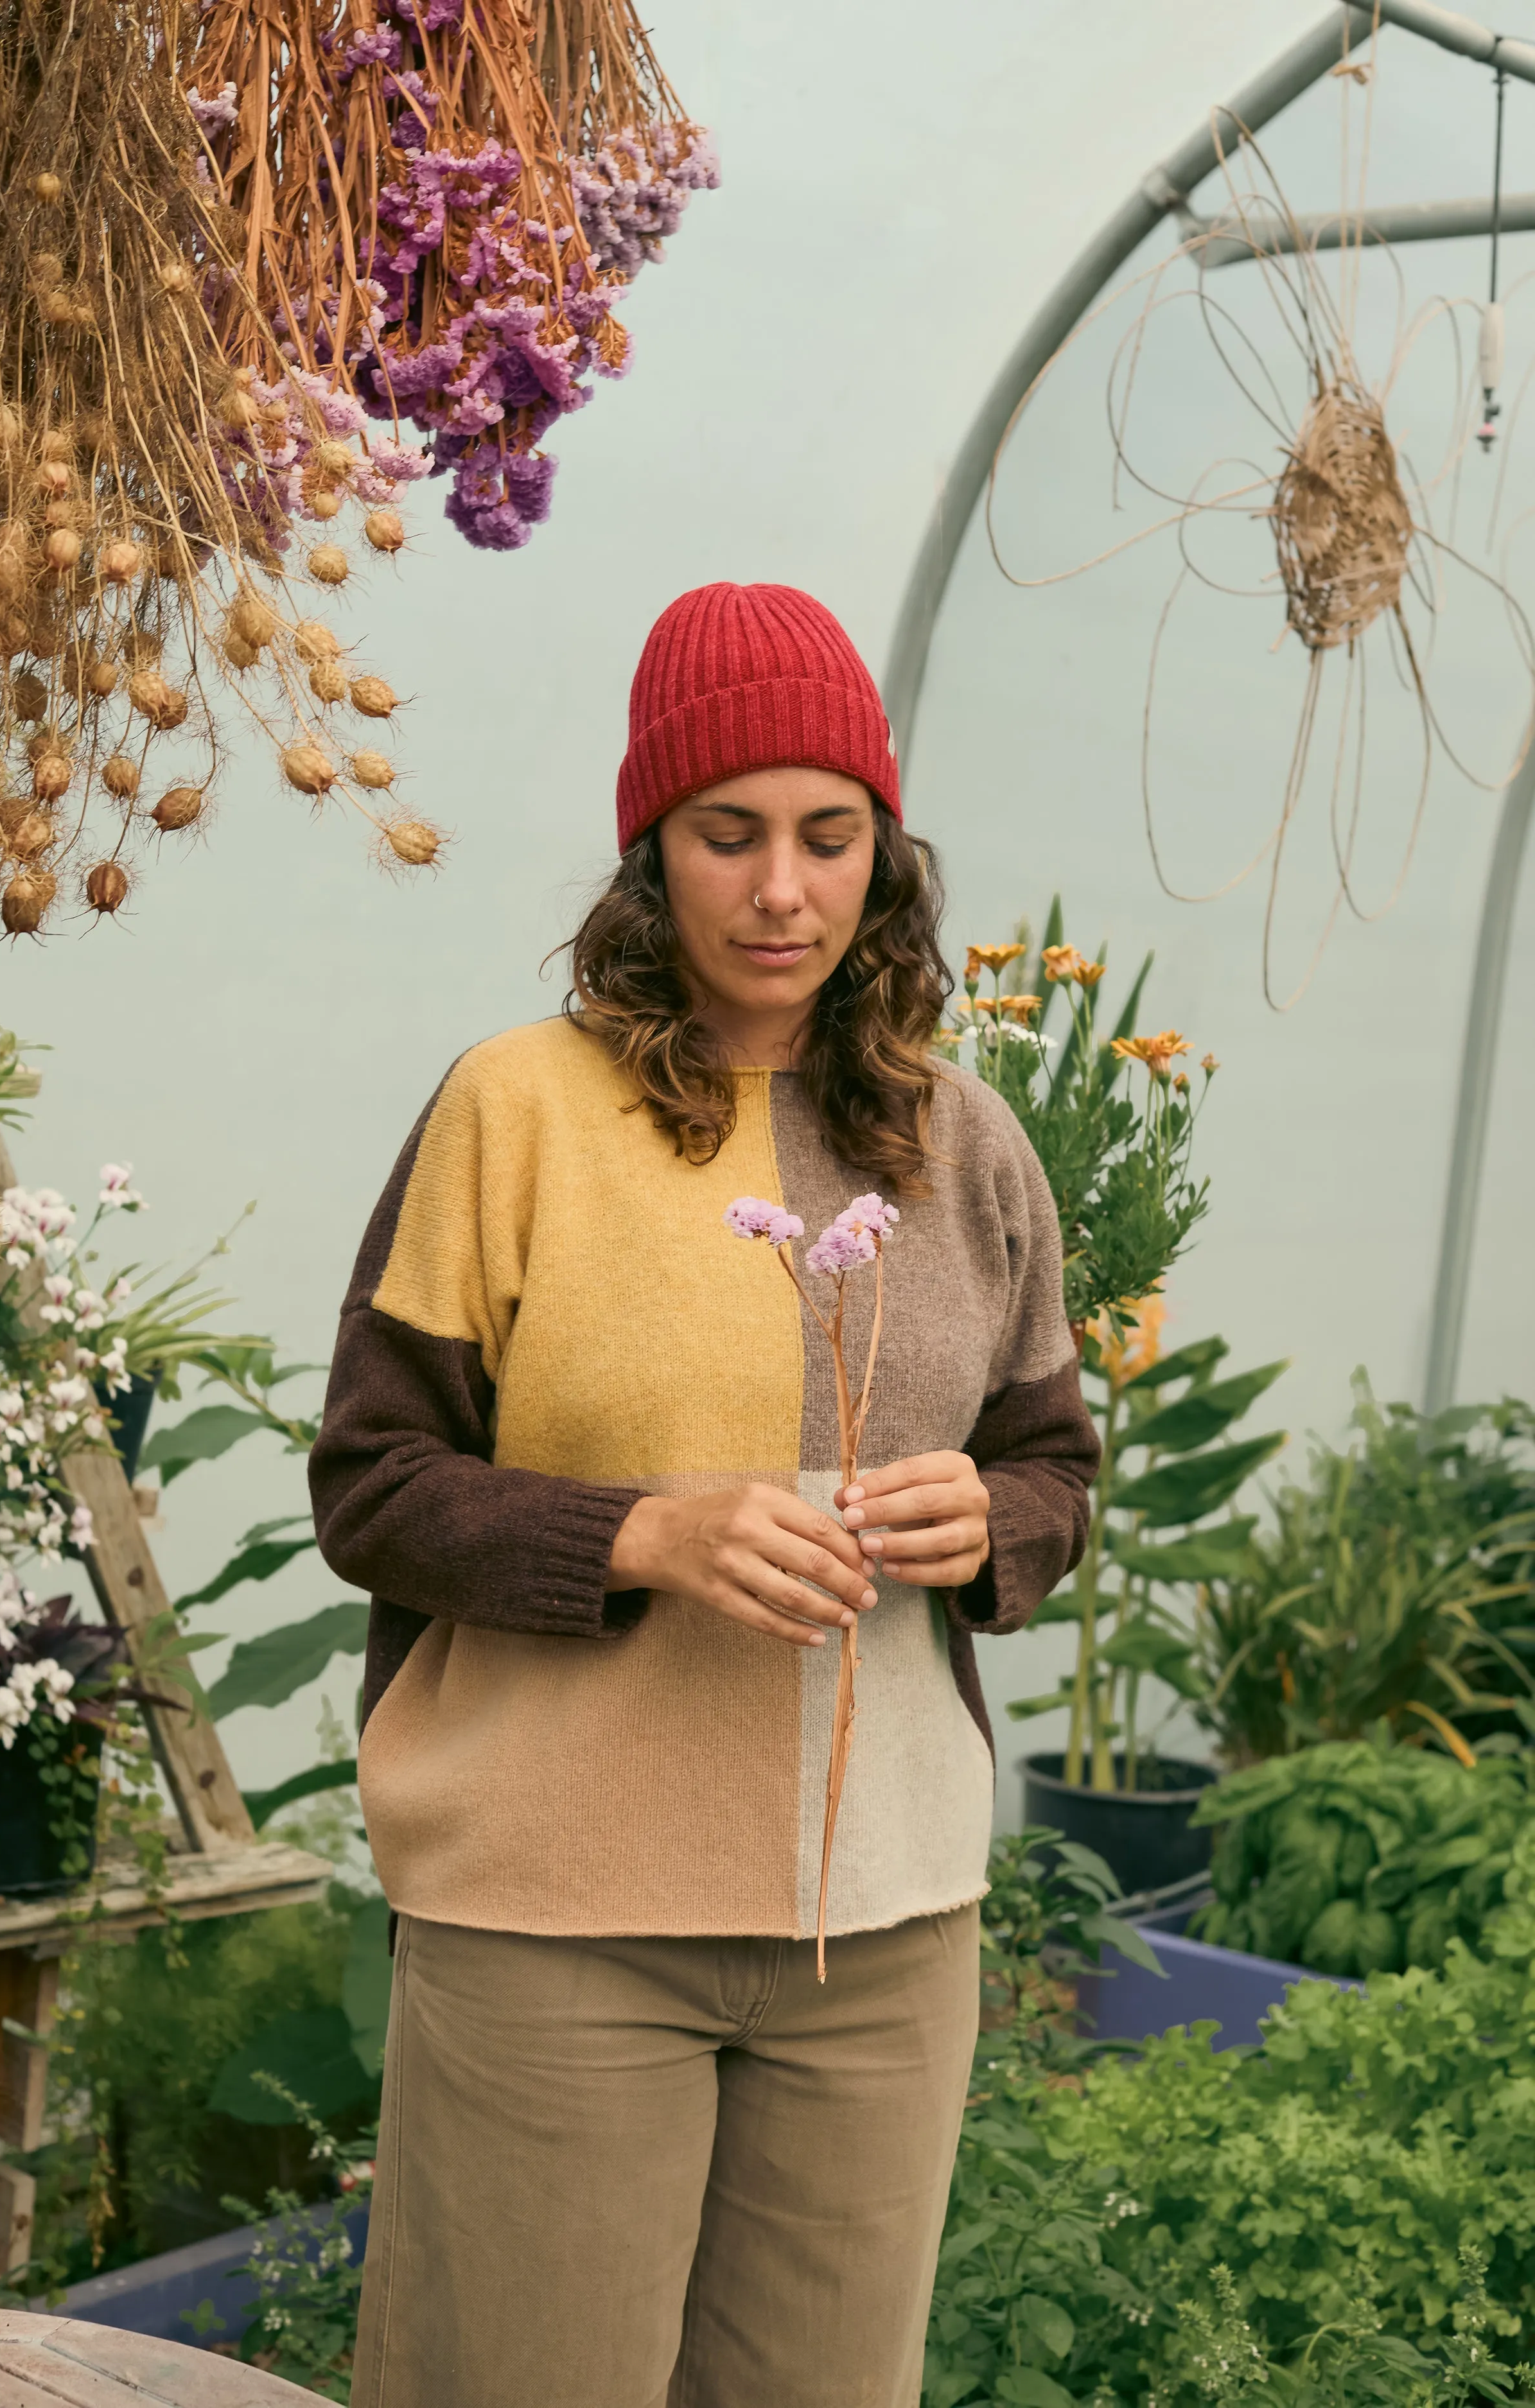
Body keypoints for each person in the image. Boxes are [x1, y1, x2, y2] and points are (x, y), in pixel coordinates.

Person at [308, 580, 1100, 2408]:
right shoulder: (512, 1111)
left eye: (828, 838)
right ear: (646, 851)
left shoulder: (969, 1142)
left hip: (880, 1930)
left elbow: (1052, 1461)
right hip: (555, 1917)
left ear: (881, 862)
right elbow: (371, 1480)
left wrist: (993, 1528)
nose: (778, 889)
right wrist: (637, 1532)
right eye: (726, 834)